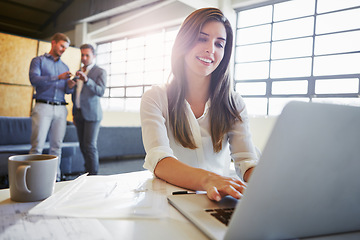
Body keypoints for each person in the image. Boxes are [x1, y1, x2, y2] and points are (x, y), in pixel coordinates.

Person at [140, 8, 259, 201]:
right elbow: (159, 160)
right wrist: (208, 180)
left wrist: (269, 183)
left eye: (219, 44)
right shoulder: (155, 97)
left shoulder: (234, 102)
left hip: (218, 200)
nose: (211, 49)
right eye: (202, 38)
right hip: (170, 200)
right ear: (184, 42)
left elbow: (246, 160)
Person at [29, 32, 76, 181]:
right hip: (43, 107)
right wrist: (58, 77)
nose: (63, 49)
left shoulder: (65, 66)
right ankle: (32, 180)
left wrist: (70, 85)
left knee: (57, 147)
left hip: (61, 109)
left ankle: (55, 179)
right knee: (37, 146)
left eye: (66, 48)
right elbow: (34, 79)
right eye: (62, 46)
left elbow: (67, 91)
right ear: (53, 42)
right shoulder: (38, 61)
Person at [71, 44, 107, 175]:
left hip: (93, 114)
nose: (84, 58)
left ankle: (93, 177)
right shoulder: (79, 71)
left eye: (87, 55)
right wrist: (74, 112)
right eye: (82, 55)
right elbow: (76, 93)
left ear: (94, 56)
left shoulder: (100, 71)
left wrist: (87, 80)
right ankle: (87, 172)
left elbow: (101, 91)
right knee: (82, 146)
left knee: (90, 146)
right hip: (79, 113)